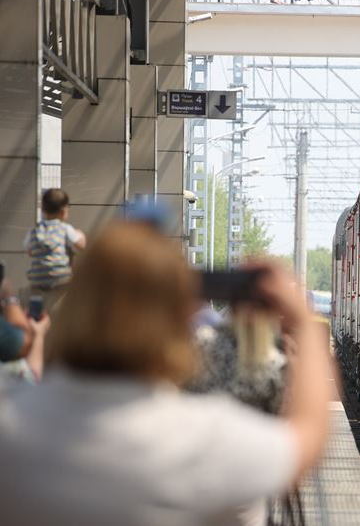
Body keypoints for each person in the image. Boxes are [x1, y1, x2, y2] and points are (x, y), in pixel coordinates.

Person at [0, 222, 333, 526]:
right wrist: (303, 323)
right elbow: (306, 440)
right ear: (176, 317)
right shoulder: (207, 440)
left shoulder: (10, 422)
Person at [24, 188, 86, 314]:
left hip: (38, 280)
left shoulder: (35, 231)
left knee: (39, 308)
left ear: (43, 211)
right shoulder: (64, 228)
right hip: (60, 279)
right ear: (64, 212)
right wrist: (81, 235)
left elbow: (29, 251)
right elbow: (81, 245)